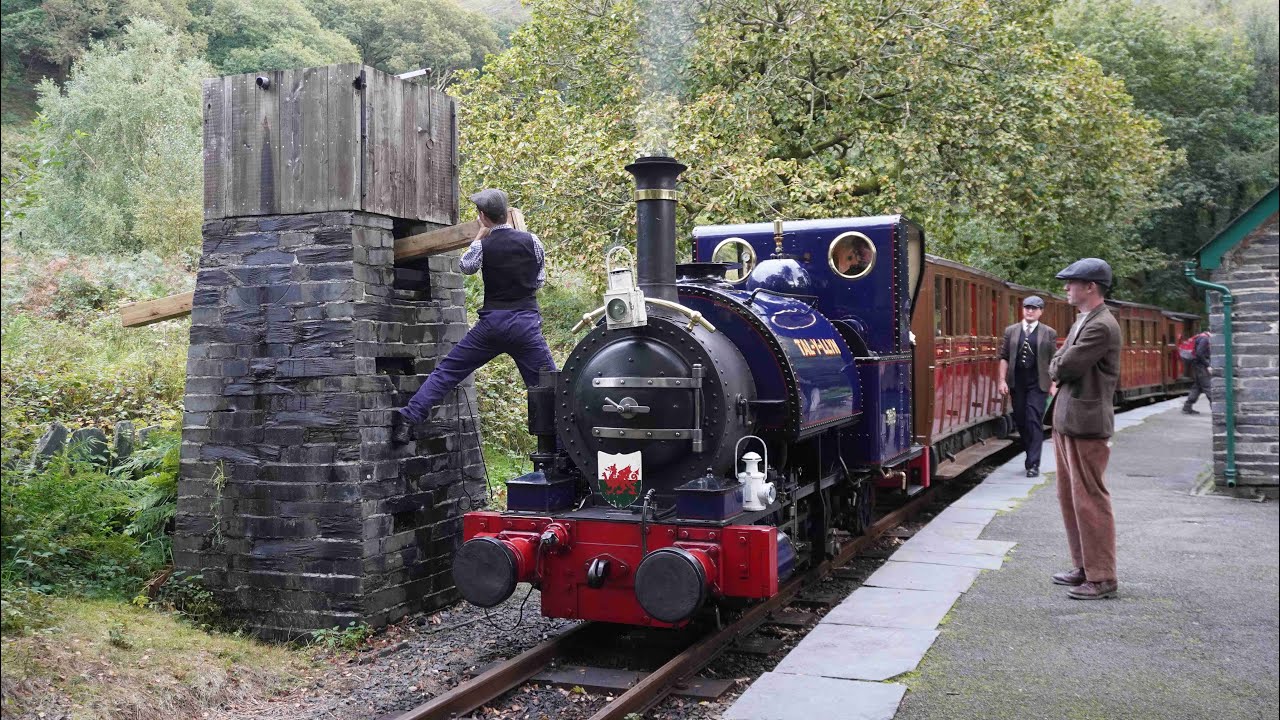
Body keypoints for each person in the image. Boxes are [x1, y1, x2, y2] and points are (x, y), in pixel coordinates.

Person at [392, 189, 556, 443]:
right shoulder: (532, 241)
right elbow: (540, 280)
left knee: (448, 371)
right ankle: (559, 448)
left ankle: (407, 419)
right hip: (525, 325)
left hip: (492, 326)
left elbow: (466, 267)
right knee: (547, 385)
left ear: (482, 215)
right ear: (506, 213)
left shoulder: (482, 244)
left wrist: (479, 237)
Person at [1047, 258, 1122, 600]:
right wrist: (1058, 365)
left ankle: (1103, 576)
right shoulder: (1084, 320)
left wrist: (1058, 366)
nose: (1066, 288)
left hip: (1086, 424)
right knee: (1070, 498)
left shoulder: (1101, 325)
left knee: (1090, 500)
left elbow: (1066, 364)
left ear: (1090, 287)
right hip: (1067, 422)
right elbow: (1057, 362)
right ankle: (1084, 566)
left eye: (1071, 282)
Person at [998, 296, 1058, 477]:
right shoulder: (1011, 331)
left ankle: (1033, 464)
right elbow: (1004, 357)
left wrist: (1054, 383)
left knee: (1033, 419)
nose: (1030, 311)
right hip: (1018, 382)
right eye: (1027, 308)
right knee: (1021, 420)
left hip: (1038, 382)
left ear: (1041, 311)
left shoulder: (1049, 333)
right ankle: (1028, 454)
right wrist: (1002, 380)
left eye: (1034, 308)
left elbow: (1054, 359)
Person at [1182, 331, 1212, 415]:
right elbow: (1199, 353)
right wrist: (1207, 365)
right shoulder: (1205, 339)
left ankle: (1187, 407)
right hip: (1200, 366)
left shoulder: (1201, 337)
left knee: (1197, 387)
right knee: (1208, 386)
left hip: (1197, 365)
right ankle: (1216, 409)